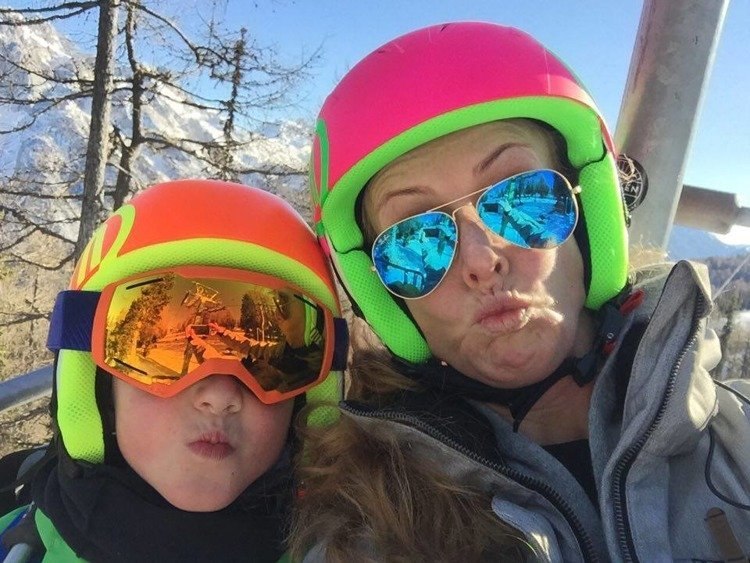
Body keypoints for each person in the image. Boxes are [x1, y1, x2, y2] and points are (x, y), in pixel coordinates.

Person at [291, 22, 750, 562]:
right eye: (416, 239)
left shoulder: (738, 446)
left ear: (590, 216)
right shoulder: (366, 537)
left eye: (523, 199)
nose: (481, 261)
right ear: (381, 293)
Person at [0, 179, 347, 562]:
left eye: (269, 356)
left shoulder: (359, 549)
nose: (221, 396)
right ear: (98, 385)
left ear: (305, 402)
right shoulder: (14, 547)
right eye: (169, 346)